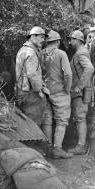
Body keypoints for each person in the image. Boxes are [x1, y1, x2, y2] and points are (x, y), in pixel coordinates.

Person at [41, 30, 73, 159]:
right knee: (61, 120)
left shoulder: (40, 53)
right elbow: (68, 74)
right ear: (58, 41)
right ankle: (57, 149)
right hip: (59, 92)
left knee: (47, 121)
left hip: (44, 92)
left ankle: (48, 149)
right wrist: (67, 88)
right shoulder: (61, 53)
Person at [15, 26, 49, 127]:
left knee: (25, 124)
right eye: (41, 37)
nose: (43, 40)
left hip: (21, 92)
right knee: (33, 126)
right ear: (33, 36)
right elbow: (32, 74)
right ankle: (32, 143)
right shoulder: (31, 53)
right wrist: (40, 91)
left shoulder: (22, 50)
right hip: (31, 94)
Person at [67, 30, 94, 155]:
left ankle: (81, 146)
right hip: (79, 93)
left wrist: (80, 86)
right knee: (79, 118)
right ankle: (81, 144)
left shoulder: (81, 52)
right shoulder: (80, 52)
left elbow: (89, 68)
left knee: (80, 118)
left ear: (78, 40)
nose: (70, 42)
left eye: (72, 39)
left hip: (80, 93)